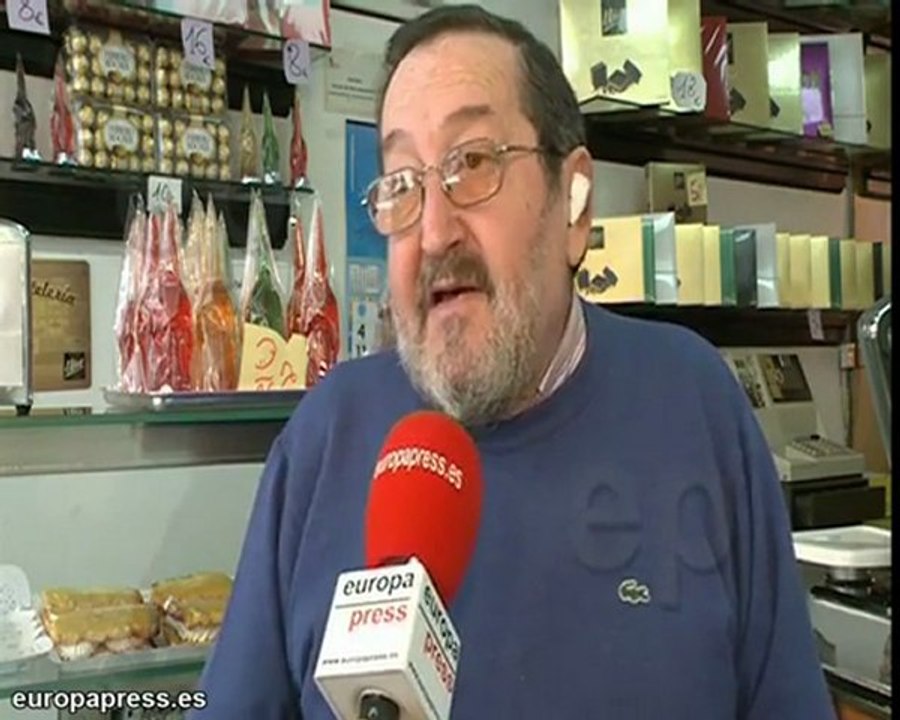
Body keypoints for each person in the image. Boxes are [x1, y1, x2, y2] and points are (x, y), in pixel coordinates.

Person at [193, 6, 836, 718]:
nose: (434, 231)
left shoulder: (695, 404)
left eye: (471, 163)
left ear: (573, 205)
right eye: (402, 184)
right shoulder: (327, 435)